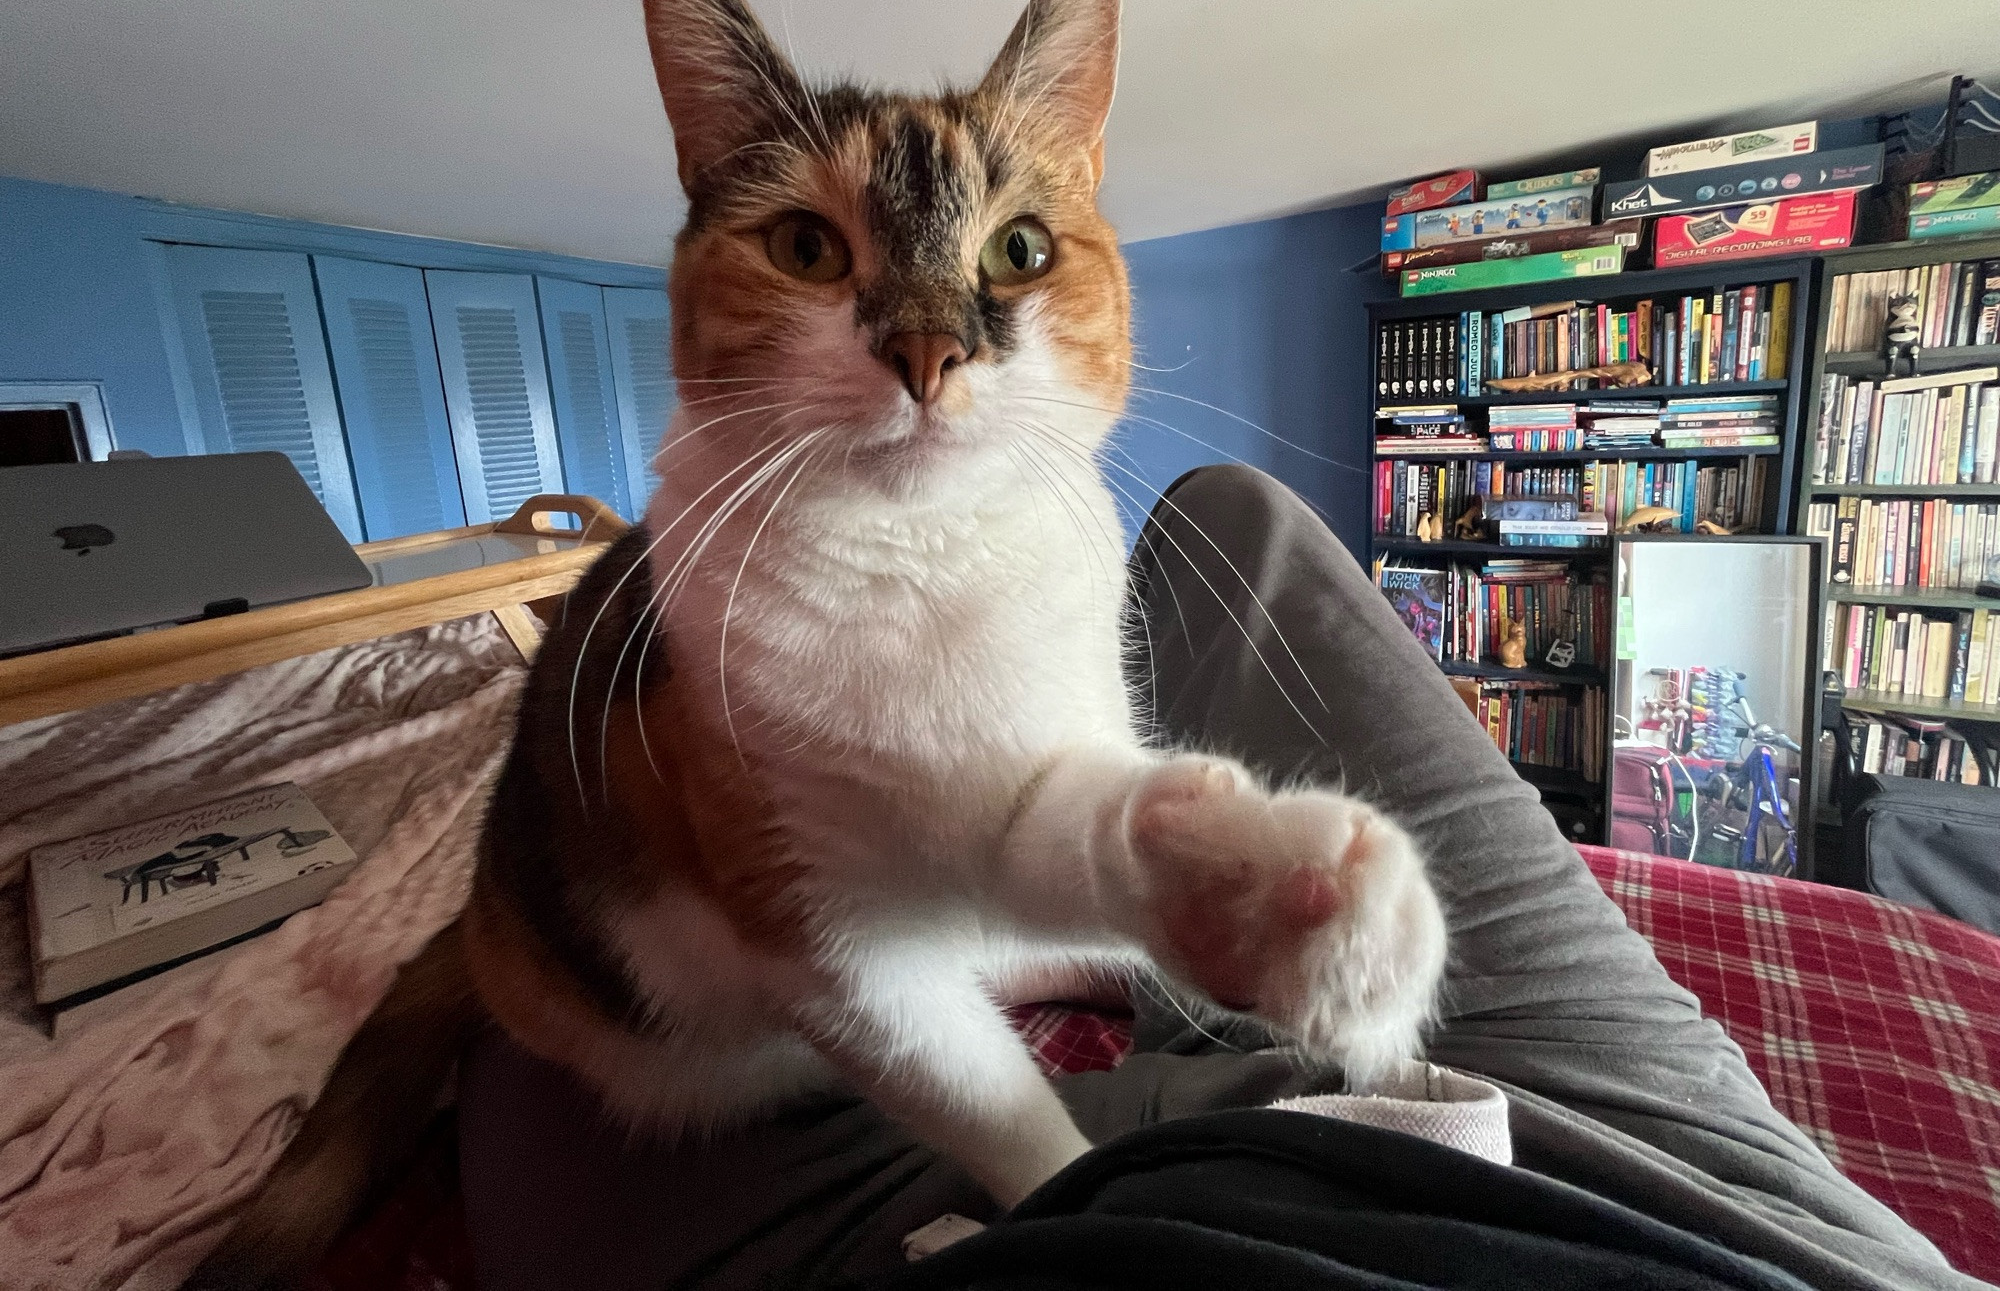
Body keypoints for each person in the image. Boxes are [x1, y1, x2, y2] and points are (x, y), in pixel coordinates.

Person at [457, 466, 1979, 1290]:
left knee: (523, 1071)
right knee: (1230, 523)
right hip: (1721, 1210)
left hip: (1093, 1210)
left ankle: (1093, 948)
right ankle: (1120, 945)